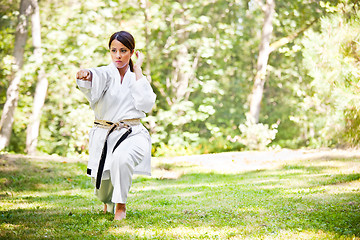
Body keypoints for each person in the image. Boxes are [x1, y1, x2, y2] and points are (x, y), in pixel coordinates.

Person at [75, 31, 156, 220]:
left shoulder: (137, 77)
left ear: (132, 52)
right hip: (106, 135)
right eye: (114, 50)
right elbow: (95, 75)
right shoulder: (105, 73)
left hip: (133, 133)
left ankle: (121, 206)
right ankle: (110, 201)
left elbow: (146, 103)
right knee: (102, 193)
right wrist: (87, 74)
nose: (118, 56)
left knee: (122, 158)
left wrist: (138, 70)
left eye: (123, 50)